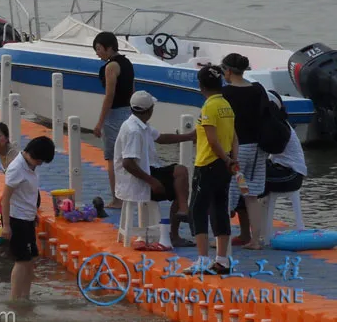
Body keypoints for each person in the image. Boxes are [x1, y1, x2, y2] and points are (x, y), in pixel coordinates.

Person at [113, 90, 195, 247]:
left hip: (146, 171)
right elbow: (128, 163)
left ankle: (183, 210)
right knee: (181, 185)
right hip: (138, 181)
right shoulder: (134, 131)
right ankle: (177, 229)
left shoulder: (137, 124)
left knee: (180, 172)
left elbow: (161, 138)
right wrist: (152, 182)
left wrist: (188, 136)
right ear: (149, 110)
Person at [185, 65, 238, 275]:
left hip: (207, 164)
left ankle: (202, 260)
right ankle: (222, 260)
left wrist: (225, 158)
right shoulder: (226, 105)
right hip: (224, 166)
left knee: (197, 210)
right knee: (219, 209)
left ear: (200, 86)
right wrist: (233, 160)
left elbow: (212, 140)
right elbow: (234, 136)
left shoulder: (209, 107)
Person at [220, 53, 268, 248]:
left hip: (237, 151)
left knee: (226, 195)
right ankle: (255, 240)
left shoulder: (226, 94)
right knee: (251, 196)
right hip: (258, 151)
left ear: (228, 71)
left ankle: (221, 239)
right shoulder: (257, 89)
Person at [0, 136, 55, 300]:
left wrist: (34, 214)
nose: (40, 164)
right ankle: (15, 298)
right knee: (21, 260)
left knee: (30, 259)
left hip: (27, 218)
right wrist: (6, 226)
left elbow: (26, 194)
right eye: (41, 160)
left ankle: (26, 296)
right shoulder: (16, 168)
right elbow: (6, 198)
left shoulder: (29, 166)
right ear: (35, 155)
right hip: (16, 219)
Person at [92, 31, 135, 208]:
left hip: (115, 115)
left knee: (112, 158)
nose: (97, 53)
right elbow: (132, 90)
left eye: (99, 49)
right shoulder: (128, 63)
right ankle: (130, 194)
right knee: (128, 156)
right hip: (128, 113)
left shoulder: (111, 67)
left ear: (109, 47)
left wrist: (99, 123)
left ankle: (117, 198)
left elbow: (109, 96)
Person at [257, 93, 306, 242]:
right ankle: (252, 229)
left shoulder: (277, 127)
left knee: (252, 176)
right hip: (282, 170)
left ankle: (250, 232)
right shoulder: (277, 123)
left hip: (291, 174)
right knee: (249, 176)